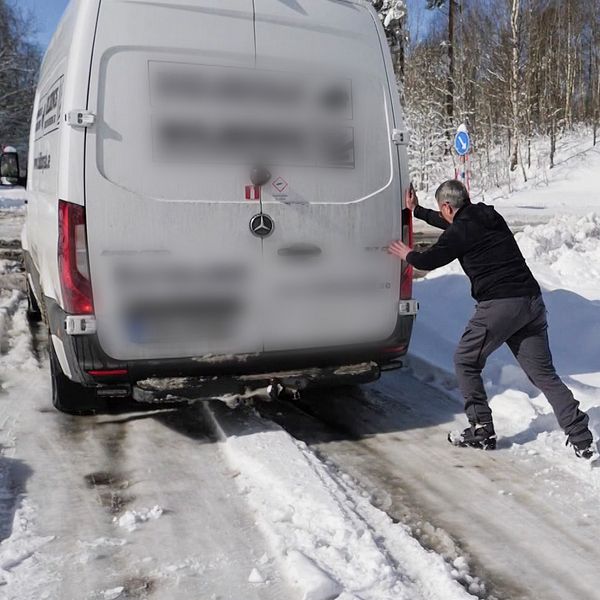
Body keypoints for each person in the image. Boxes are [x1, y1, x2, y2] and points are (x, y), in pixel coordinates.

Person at [388, 180, 596, 460]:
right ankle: (581, 436)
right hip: (531, 302)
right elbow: (451, 222)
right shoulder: (488, 216)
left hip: (500, 305)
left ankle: (481, 429)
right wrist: (419, 211)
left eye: (442, 209)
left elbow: (429, 260)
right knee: (544, 375)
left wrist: (408, 254)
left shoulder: (460, 230)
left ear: (448, 206)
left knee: (465, 360)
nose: (443, 214)